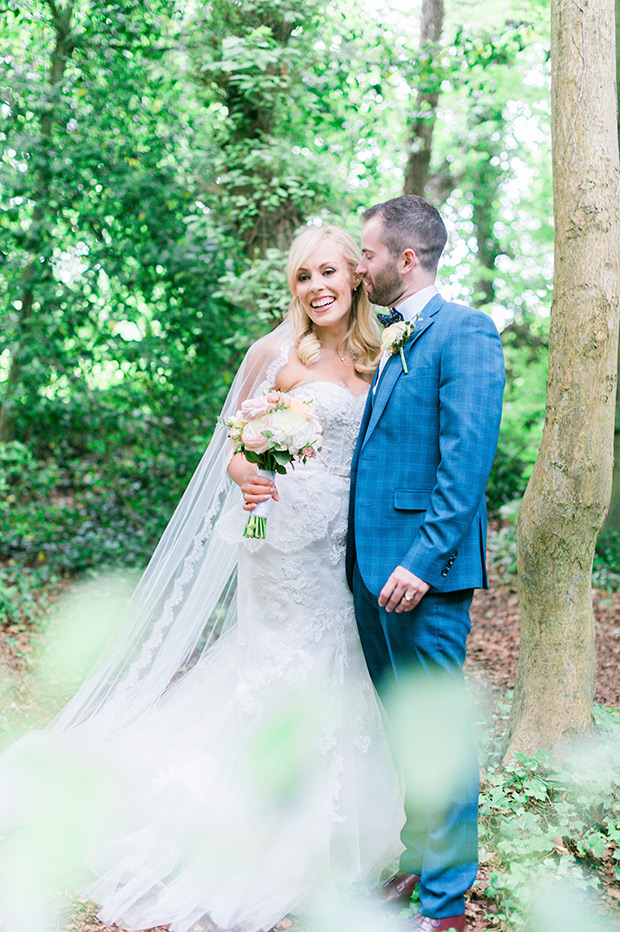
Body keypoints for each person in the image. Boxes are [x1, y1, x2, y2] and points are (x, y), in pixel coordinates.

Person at [0, 226, 405, 932]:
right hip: (279, 541)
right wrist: (253, 480)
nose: (317, 287)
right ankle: (267, 836)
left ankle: (336, 831)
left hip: (350, 544)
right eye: (304, 276)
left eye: (330, 272)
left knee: (342, 668)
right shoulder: (276, 353)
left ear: (357, 277)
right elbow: (236, 446)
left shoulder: (380, 356)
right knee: (288, 668)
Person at [347, 195, 505, 932]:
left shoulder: (464, 332)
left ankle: (444, 908)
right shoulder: (385, 340)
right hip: (369, 570)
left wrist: (424, 558)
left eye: (368, 254)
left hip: (423, 576)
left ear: (405, 259)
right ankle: (416, 858)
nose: (359, 266)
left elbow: (466, 460)